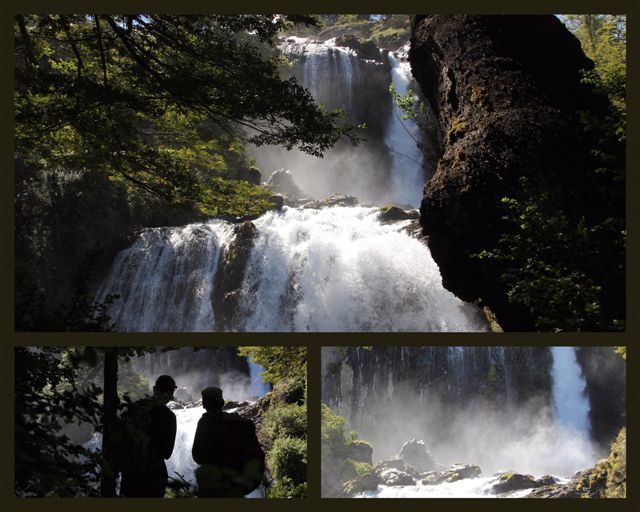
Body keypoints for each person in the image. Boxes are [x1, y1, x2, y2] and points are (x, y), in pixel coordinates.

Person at [192, 386, 265, 498]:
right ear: (222, 402)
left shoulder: (206, 422)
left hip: (214, 485)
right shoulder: (237, 420)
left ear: (204, 403)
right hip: (237, 483)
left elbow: (197, 456)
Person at [119, 375, 178, 498]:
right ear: (171, 393)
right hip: (153, 475)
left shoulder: (133, 409)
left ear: (154, 389)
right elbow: (167, 453)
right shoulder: (168, 416)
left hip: (130, 473)